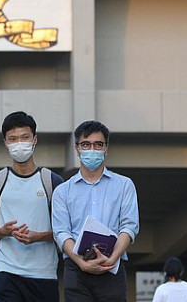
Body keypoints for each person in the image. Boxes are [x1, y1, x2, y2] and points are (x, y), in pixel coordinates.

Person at [0, 111, 64, 302]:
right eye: (13, 139)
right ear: (5, 143)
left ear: (35, 140)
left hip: (43, 272)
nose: (19, 144)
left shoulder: (52, 181)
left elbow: (64, 230)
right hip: (5, 270)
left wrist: (38, 236)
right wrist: (4, 231)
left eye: (25, 137)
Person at [52, 120, 140, 302]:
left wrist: (113, 257)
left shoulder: (124, 185)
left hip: (112, 266)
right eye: (86, 144)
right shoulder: (62, 190)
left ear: (106, 148)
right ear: (77, 149)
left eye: (98, 144)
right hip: (76, 268)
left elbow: (129, 226)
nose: (92, 149)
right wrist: (80, 262)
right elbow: (61, 232)